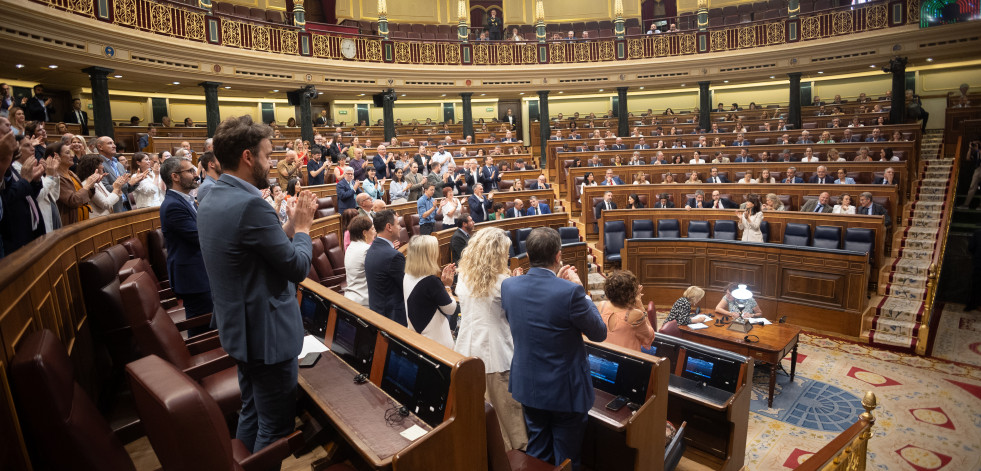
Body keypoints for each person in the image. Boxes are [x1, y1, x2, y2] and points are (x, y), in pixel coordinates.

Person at [198, 115, 318, 454]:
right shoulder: (252, 203)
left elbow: (256, 252)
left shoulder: (212, 197)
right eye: (267, 155)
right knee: (276, 427)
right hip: (267, 337)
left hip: (240, 331)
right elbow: (296, 267)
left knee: (252, 410)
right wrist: (306, 228)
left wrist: (291, 227)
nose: (272, 162)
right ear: (248, 157)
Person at [502, 227, 606, 469]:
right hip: (565, 392)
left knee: (537, 452)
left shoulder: (509, 286)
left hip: (528, 386)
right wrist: (583, 290)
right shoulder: (572, 292)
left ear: (527, 255)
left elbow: (535, 318)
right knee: (567, 457)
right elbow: (599, 333)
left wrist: (559, 287)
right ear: (559, 256)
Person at [159, 156, 213, 336]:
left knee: (208, 323)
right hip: (193, 277)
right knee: (202, 330)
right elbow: (200, 237)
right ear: (175, 176)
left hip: (198, 273)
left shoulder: (183, 200)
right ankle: (204, 362)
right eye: (190, 171)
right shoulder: (173, 205)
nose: (196, 175)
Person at [402, 235, 457, 348]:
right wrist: (447, 287)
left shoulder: (407, 275)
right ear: (429, 255)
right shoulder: (431, 281)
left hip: (418, 335)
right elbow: (450, 308)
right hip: (436, 340)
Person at [597, 271, 654, 351]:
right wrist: (640, 305)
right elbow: (649, 337)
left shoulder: (601, 306)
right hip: (627, 361)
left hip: (604, 358)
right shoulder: (636, 315)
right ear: (631, 294)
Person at [76, 154, 126, 218]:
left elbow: (108, 197)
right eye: (100, 164)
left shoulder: (97, 182)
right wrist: (116, 189)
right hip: (97, 221)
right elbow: (105, 204)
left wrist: (117, 186)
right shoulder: (87, 184)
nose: (103, 167)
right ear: (93, 167)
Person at [343, 215, 375, 308]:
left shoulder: (351, 247)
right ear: (365, 233)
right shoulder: (366, 250)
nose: (374, 232)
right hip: (364, 302)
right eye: (372, 229)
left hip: (351, 297)